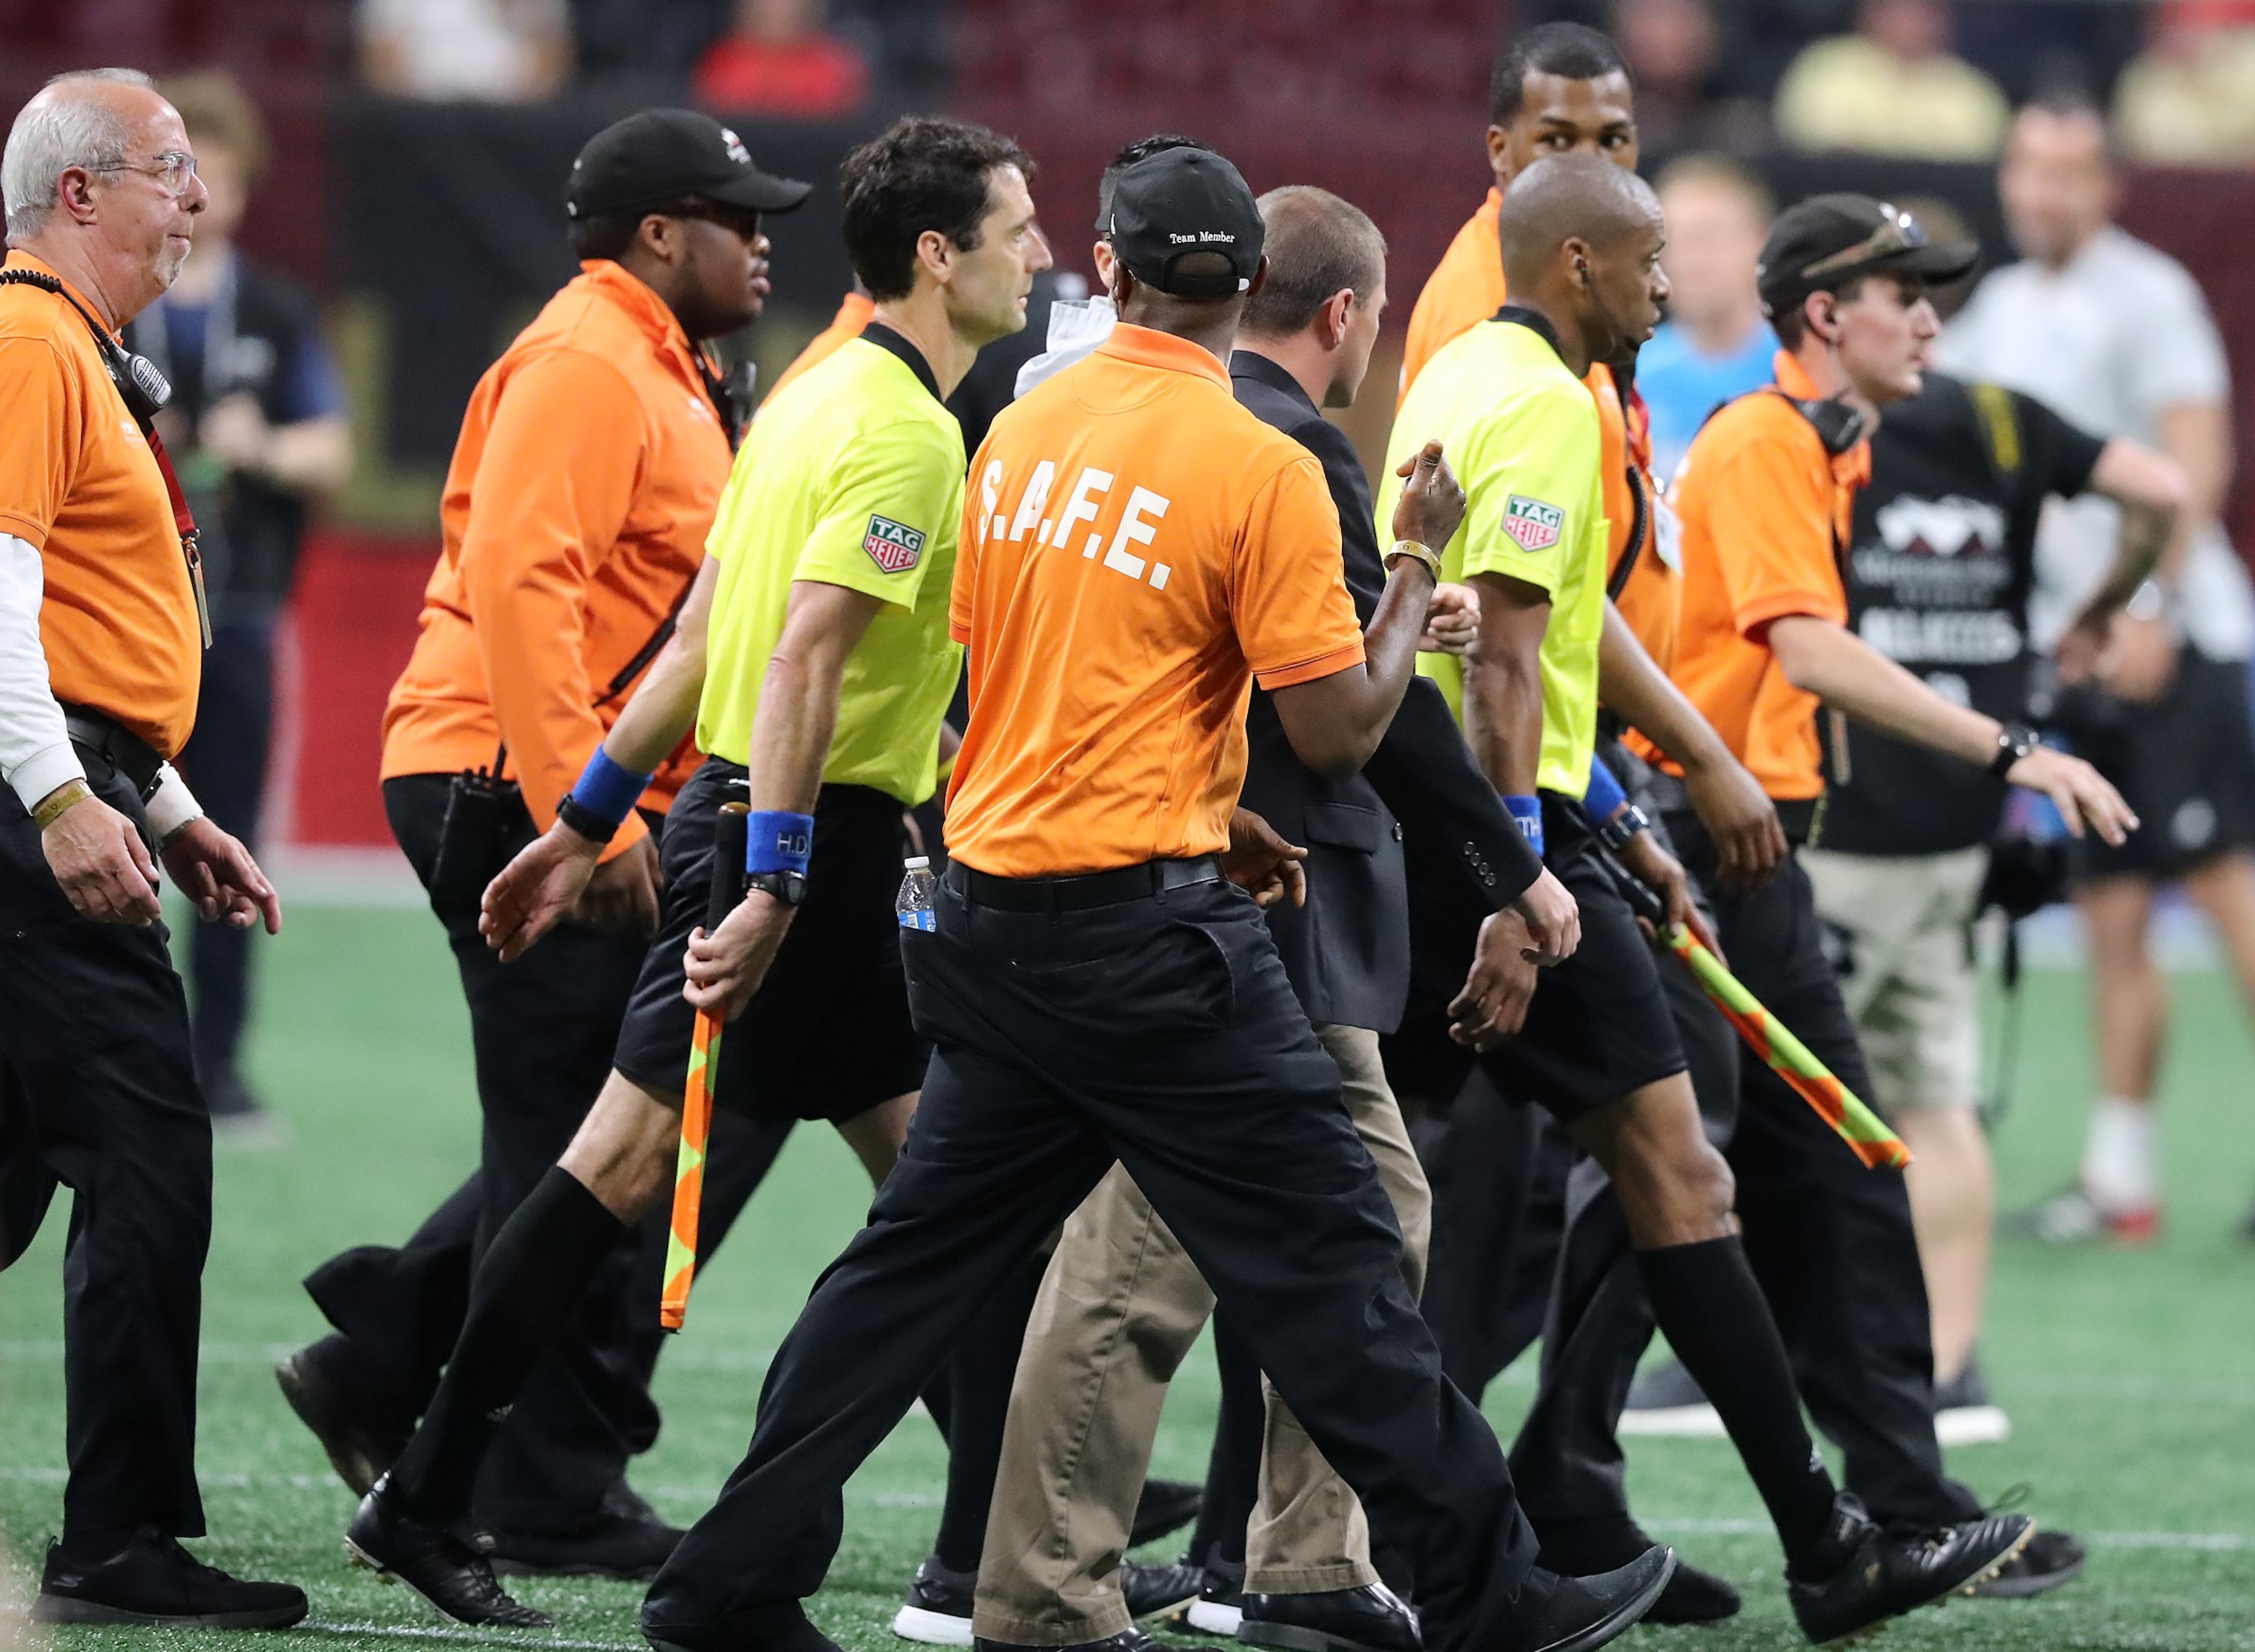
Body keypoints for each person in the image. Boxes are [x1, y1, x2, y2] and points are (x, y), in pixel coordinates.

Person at [640, 141, 1674, 1652]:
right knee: (1339, 1258)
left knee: (900, 1275)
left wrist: (1212, 802)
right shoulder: (1257, 462)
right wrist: (1404, 570)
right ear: (1246, 286)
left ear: (1109, 273)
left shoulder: (1012, 427)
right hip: (1151, 946)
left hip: (989, 917)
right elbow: (1340, 725)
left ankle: (720, 1584)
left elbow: (1054, 671)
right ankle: (1486, 1590)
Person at [338, 114, 1052, 1626]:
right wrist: (779, 888)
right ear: (938, 255)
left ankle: (425, 1489)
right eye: (1018, 229)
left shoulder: (806, 398)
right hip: (817, 847)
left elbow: (697, 643)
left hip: (743, 822)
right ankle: (977, 1544)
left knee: (731, 1176)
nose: (1041, 254)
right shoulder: (913, 434)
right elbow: (791, 663)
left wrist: (587, 819)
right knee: (946, 1203)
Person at [967, 181, 1567, 1652]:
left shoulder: (1082, 421)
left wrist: (1384, 611)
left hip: (1142, 880)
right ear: (1345, 315)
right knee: (1141, 1251)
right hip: (1228, 902)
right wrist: (1513, 861)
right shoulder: (1279, 446)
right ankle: (1043, 1588)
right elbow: (1352, 732)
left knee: (1366, 1210)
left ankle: (1301, 1563)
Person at [275, 107, 809, 1590]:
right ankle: (535, 1482)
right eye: (735, 216)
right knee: (590, 1149)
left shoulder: (660, 367)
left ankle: (393, 1357)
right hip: (514, 790)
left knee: (609, 1132)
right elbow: (523, 583)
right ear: (657, 234)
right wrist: (585, 811)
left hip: (547, 788)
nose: (764, 241)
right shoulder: (590, 361)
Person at [1651, 190, 2135, 1606]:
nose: (1927, 318)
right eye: (1899, 293)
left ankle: (1903, 1512)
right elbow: (1802, 654)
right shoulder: (1761, 441)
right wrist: (2012, 751)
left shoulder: (1818, 446)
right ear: (1821, 315)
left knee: (1821, 1178)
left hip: (1746, 863)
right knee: (1623, 1223)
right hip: (1702, 862)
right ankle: (1523, 1510)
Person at [0, 66, 301, 1627]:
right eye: (171, 171)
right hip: (32, 818)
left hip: (80, 786)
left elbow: (76, 634)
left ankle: (119, 1524)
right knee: (143, 1156)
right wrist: (67, 802)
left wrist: (167, 808)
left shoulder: (76, 350)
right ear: (80, 193)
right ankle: (119, 1535)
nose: (196, 199)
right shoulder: (31, 341)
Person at [1805, 369, 2186, 1444]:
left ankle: (1728, 1357)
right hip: (1971, 812)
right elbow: (2157, 489)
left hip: (1842, 815)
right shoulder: (2007, 417)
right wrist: (2106, 609)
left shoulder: (1799, 426)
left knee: (1762, 1105)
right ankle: (1952, 1363)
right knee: (1936, 1096)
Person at [1941, 100, 2255, 1244]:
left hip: (2178, 638)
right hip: (2075, 651)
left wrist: (2153, 603)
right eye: (2028, 169)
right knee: (2115, 907)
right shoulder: (2002, 314)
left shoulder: (2150, 295)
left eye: (2068, 173)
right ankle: (2122, 1179)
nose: (2042, 193)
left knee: (2227, 892)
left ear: (2106, 185)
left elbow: (2196, 456)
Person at [120, 72, 351, 1134]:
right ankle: (115, 1054)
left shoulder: (274, 307)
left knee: (227, 838)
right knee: (107, 833)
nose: (203, 190)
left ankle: (219, 1065)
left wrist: (266, 446)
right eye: (181, 167)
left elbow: (333, 446)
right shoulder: (112, 299)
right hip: (122, 618)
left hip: (240, 611)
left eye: (222, 170)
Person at [1637, 155, 1776, 484]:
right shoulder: (1633, 374)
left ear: (1759, 245)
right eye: (1670, 242)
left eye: (1705, 240)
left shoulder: (1800, 369)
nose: (1686, 262)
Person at [1772, 0, 2010, 160]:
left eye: (1923, 9)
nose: (1908, 19)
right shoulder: (1824, 68)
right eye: (1896, 7)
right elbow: (1804, 148)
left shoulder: (1974, 92)